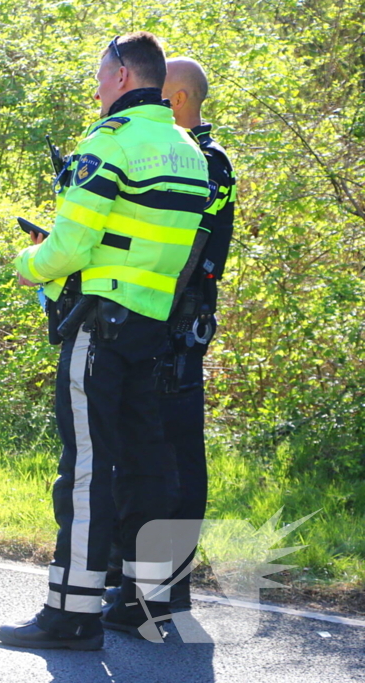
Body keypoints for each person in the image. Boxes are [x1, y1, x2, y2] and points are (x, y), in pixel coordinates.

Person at [0, 32, 209, 649]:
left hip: (101, 328)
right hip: (154, 330)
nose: (94, 86)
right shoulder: (186, 150)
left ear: (121, 74)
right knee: (149, 463)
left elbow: (70, 247)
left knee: (87, 471)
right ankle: (141, 604)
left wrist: (27, 262)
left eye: (98, 73)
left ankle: (72, 615)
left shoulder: (110, 144)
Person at [156, 57, 237, 610]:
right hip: (162, 321)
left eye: (153, 94)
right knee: (148, 451)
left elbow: (187, 254)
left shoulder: (206, 161)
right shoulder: (175, 155)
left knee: (177, 456)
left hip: (177, 327)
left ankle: (169, 585)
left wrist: (153, 313)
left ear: (178, 99)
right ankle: (136, 575)